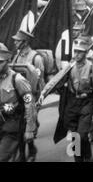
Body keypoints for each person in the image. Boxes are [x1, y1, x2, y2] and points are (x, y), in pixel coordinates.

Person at [39, 36, 93, 162]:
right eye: (75, 51)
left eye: (79, 52)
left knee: (82, 135)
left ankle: (88, 156)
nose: (76, 54)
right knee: (74, 135)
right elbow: (56, 80)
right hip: (72, 103)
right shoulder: (70, 67)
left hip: (86, 103)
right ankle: (78, 159)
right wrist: (44, 92)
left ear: (85, 53)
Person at [11, 30, 44, 162]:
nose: (14, 42)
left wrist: (36, 100)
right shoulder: (16, 56)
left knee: (25, 125)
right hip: (19, 95)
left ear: (24, 42)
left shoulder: (36, 58)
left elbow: (38, 80)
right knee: (20, 126)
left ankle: (26, 152)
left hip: (31, 95)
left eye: (17, 40)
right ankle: (27, 150)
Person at [0, 43, 37, 162]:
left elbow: (29, 104)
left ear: (8, 61)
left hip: (13, 125)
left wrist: (30, 129)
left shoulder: (17, 80)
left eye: (0, 62)